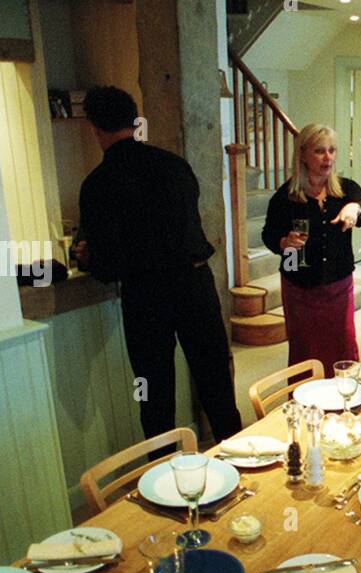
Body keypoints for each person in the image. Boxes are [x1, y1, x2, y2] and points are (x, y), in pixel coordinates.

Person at [76, 86, 242, 443]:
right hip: (195, 281)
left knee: (152, 391)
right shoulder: (175, 166)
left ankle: (162, 478)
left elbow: (109, 266)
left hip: (145, 295)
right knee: (215, 380)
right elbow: (188, 224)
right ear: (135, 122)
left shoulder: (97, 185)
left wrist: (89, 258)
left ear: (95, 129)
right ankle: (240, 458)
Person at [261, 124, 361, 375]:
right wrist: (283, 243)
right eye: (320, 151)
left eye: (332, 150)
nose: (328, 157)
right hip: (298, 278)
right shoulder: (286, 195)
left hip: (338, 279)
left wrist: (354, 209)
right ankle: (307, 403)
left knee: (342, 342)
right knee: (305, 347)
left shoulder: (346, 189)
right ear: (303, 155)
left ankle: (344, 397)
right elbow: (268, 235)